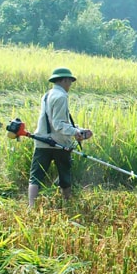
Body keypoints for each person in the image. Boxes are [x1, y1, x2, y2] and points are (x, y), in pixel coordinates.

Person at [28, 67, 93, 208]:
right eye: (70, 81)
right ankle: (67, 202)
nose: (70, 84)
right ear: (64, 80)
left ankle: (31, 206)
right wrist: (76, 132)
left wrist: (77, 129)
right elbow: (58, 124)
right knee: (65, 174)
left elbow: (52, 121)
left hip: (41, 141)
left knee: (35, 176)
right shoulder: (61, 96)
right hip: (59, 143)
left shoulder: (47, 95)